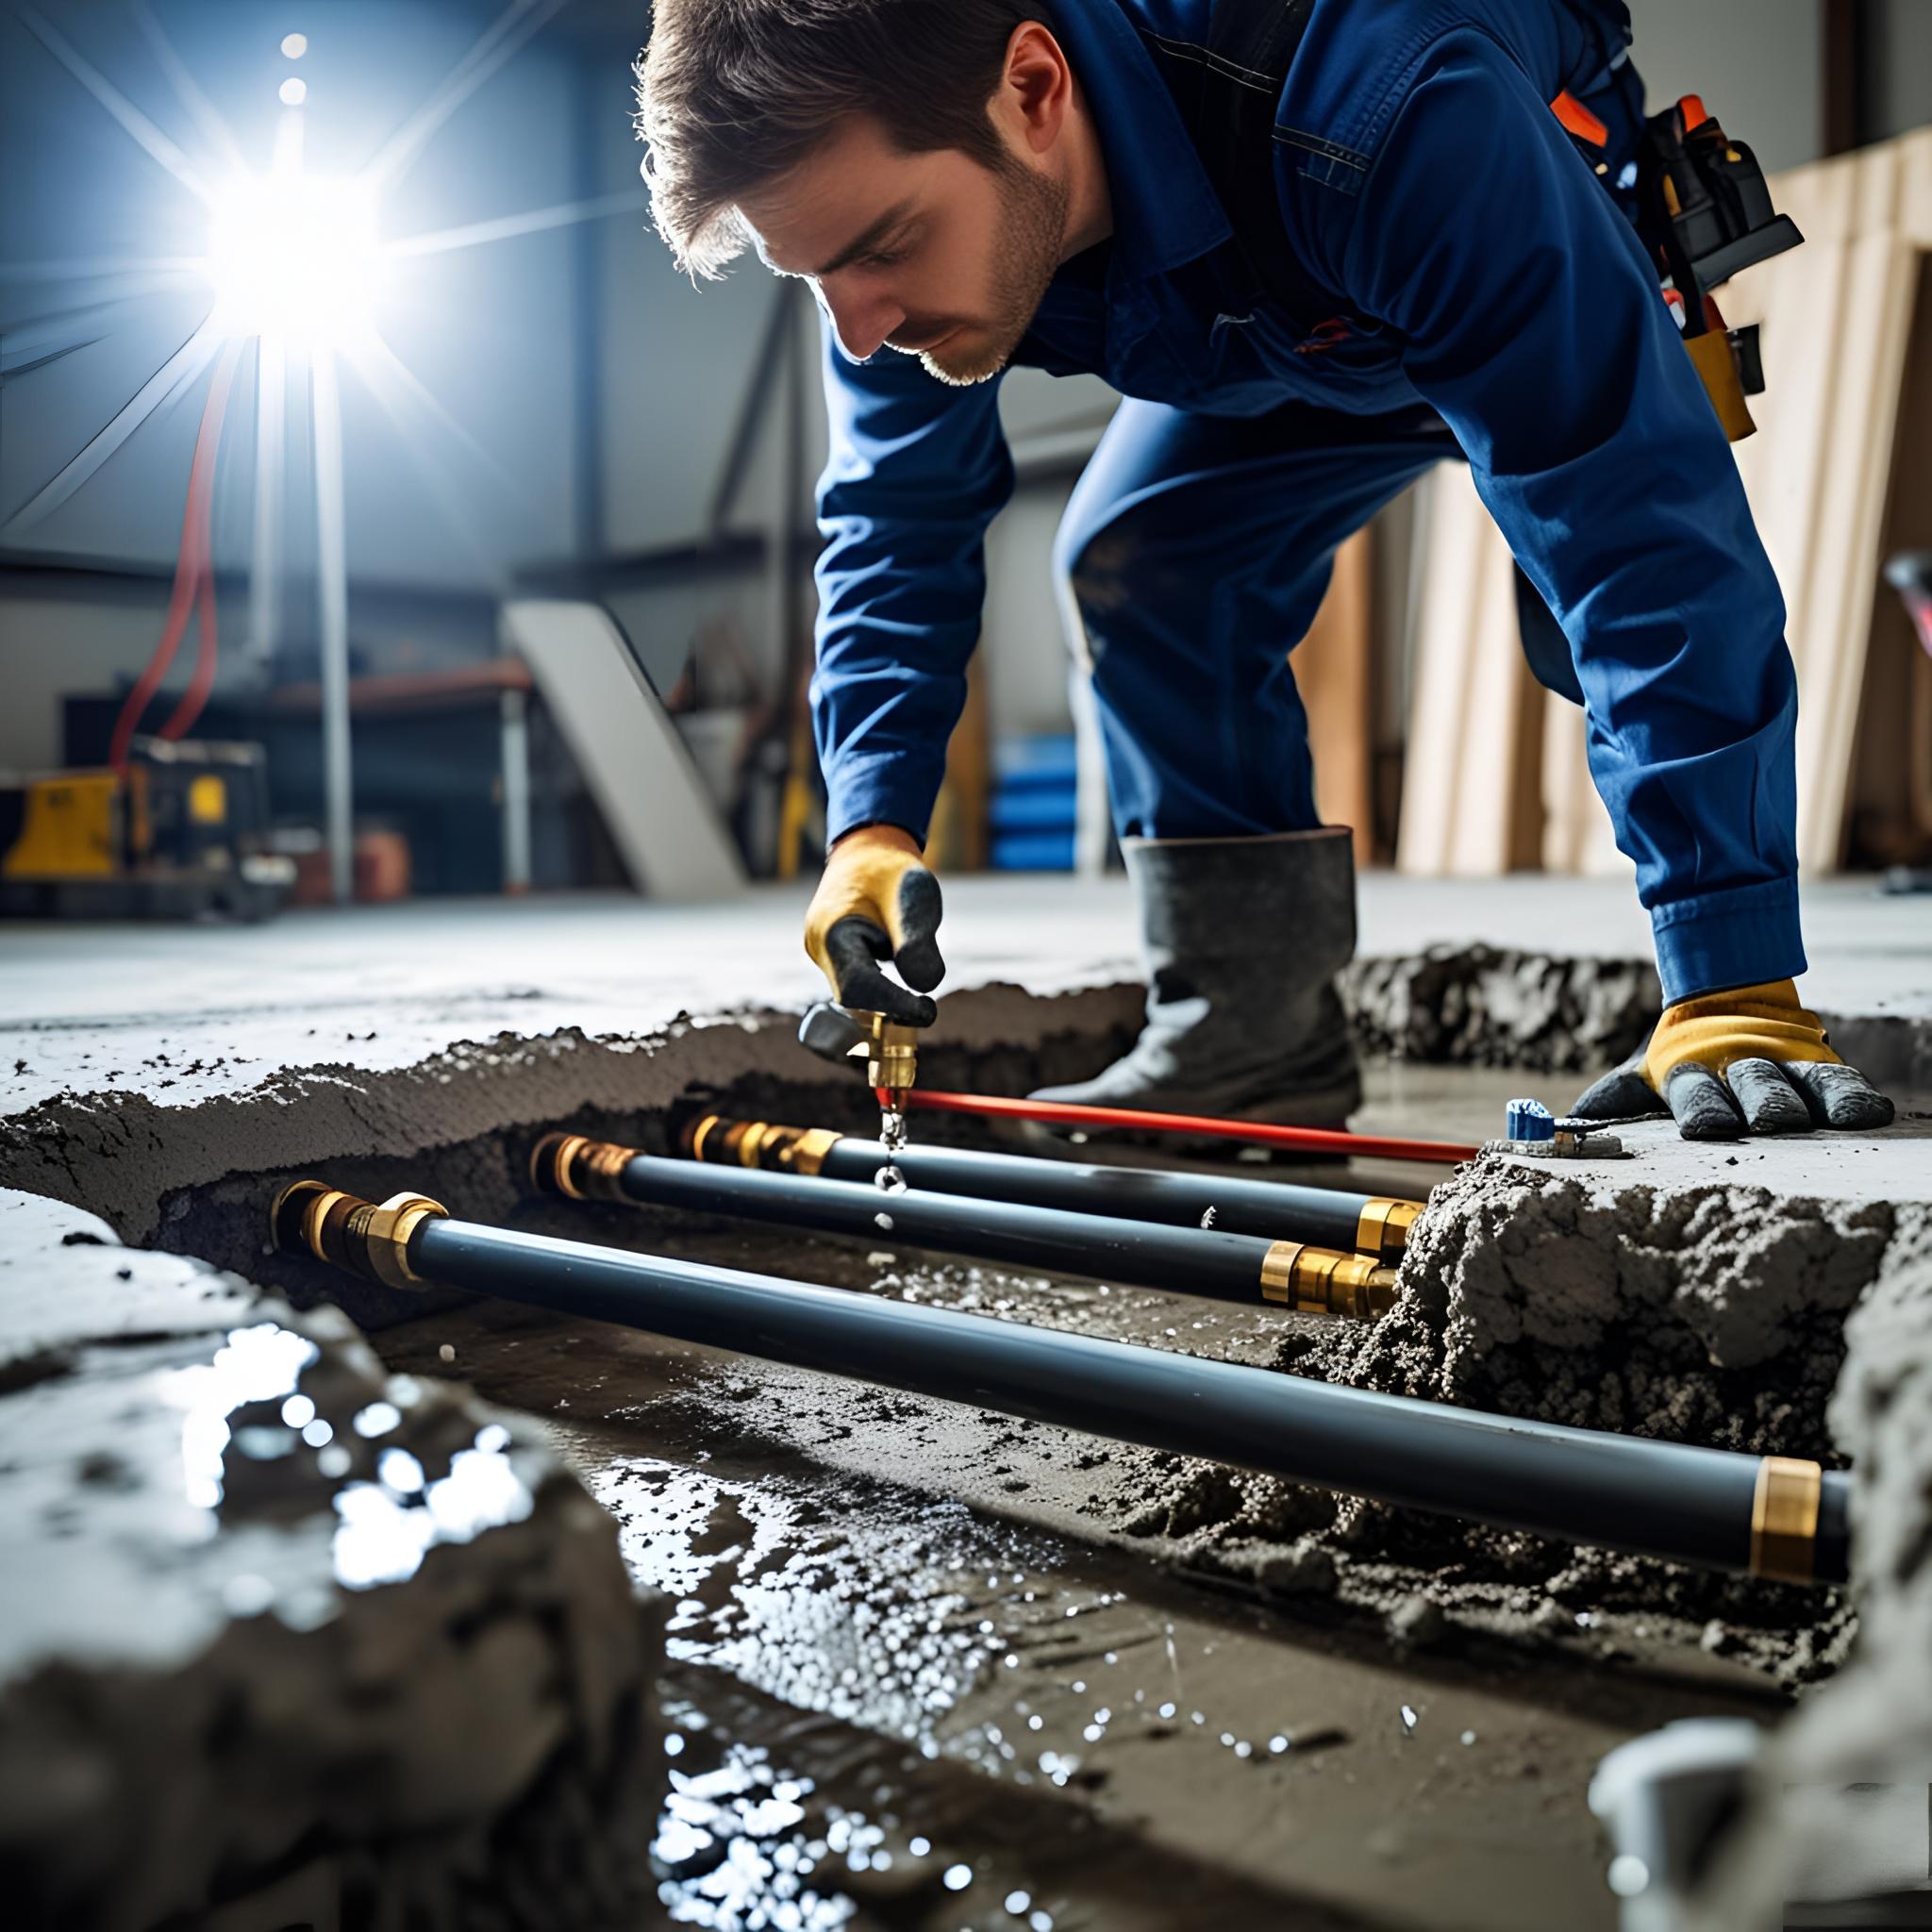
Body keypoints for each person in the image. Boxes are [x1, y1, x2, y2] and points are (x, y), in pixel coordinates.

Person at [636, 0, 1894, 1141]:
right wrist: (870, 823)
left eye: (881, 249)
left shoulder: (1387, 100)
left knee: (1590, 612)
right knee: (1145, 561)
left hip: (1462, 214)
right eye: (814, 277)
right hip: (1275, 306)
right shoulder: (889, 220)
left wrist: (1731, 977)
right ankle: (1251, 1034)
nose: (858, 331)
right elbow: (893, 513)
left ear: (1032, 88)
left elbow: (1631, 516)